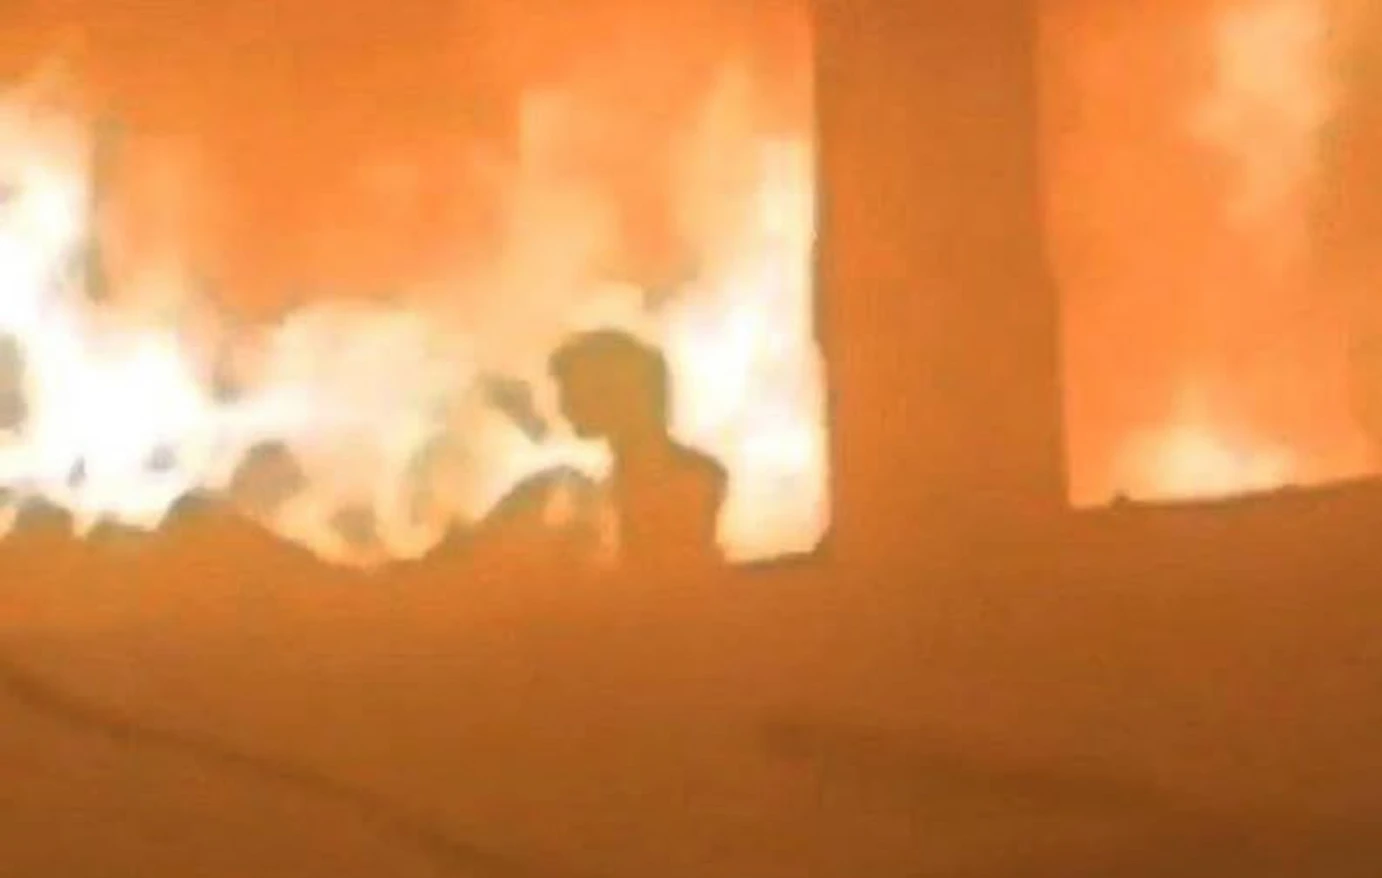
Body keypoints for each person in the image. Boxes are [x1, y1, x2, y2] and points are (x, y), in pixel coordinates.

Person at [548, 328, 727, 570]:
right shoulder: (600, 488)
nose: (564, 408)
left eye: (573, 392)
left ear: (616, 393)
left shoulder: (691, 478)